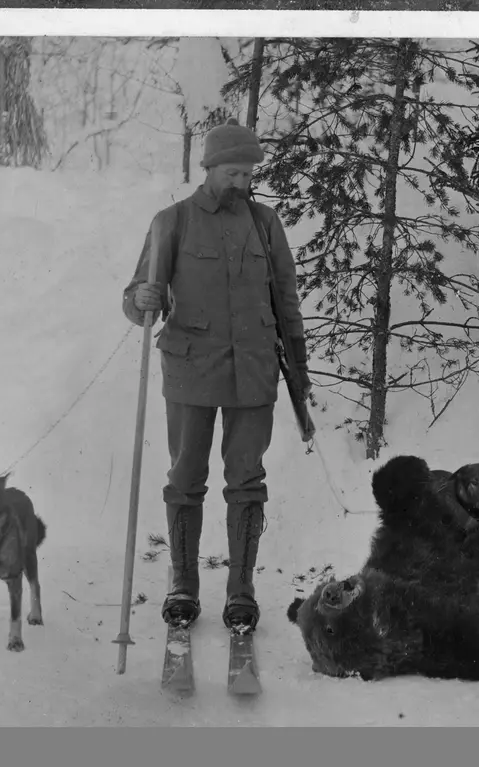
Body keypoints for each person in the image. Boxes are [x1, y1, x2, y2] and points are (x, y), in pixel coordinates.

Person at [121, 118, 310, 634]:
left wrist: (298, 366)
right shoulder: (171, 222)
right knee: (186, 478)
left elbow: (286, 300)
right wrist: (141, 300)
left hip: (253, 371)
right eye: (232, 171)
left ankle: (241, 589)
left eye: (248, 173)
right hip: (190, 371)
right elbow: (137, 300)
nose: (242, 182)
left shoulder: (266, 223)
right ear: (208, 169)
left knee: (247, 481)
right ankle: (183, 583)